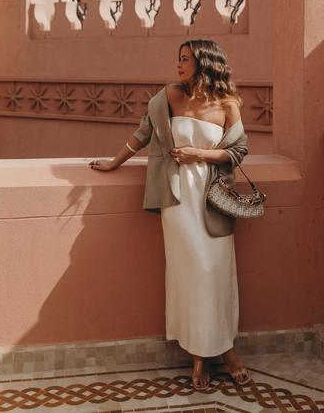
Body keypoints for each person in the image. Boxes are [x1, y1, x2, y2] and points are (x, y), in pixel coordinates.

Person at [89, 39, 251, 390]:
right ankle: (199, 358)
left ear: (204, 63)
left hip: (212, 199)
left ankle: (226, 349)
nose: (178, 65)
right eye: (178, 58)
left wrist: (199, 154)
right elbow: (143, 134)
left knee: (215, 273)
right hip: (176, 200)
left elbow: (239, 150)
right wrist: (113, 163)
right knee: (190, 274)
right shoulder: (169, 96)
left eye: (185, 59)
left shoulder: (227, 104)